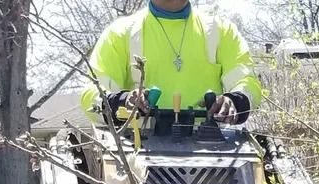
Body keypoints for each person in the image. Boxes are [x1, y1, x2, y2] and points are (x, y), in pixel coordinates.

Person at [81, 0, 262, 126]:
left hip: (213, 152)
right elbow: (92, 95)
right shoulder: (120, 33)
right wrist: (124, 101)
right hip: (138, 155)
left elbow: (247, 83)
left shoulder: (221, 31)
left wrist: (234, 101)